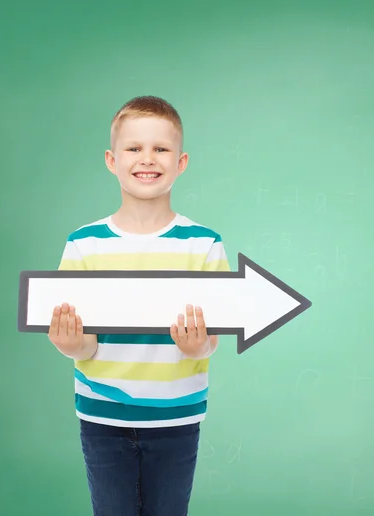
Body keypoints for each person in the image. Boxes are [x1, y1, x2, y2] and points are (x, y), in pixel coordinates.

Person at [47, 95, 230, 516]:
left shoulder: (204, 243)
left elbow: (213, 339)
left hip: (177, 417)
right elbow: (84, 344)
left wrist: (197, 346)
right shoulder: (83, 243)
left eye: (161, 149)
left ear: (180, 162)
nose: (147, 159)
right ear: (112, 160)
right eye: (134, 148)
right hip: (102, 417)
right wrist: (71, 345)